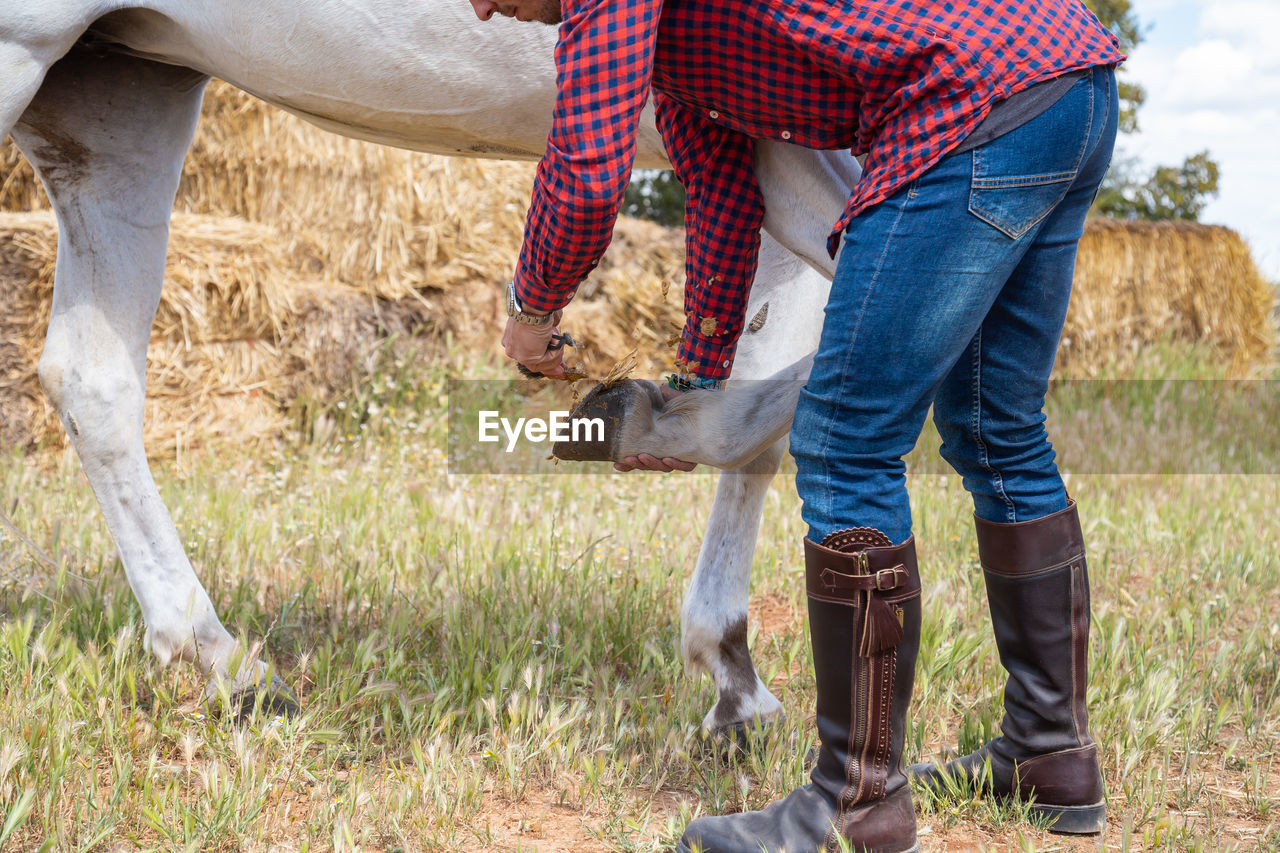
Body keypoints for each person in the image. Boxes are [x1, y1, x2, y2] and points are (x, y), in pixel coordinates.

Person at [471, 0, 1122, 848]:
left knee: (844, 443)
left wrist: (531, 311)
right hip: (1064, 84)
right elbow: (725, 203)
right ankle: (1050, 757)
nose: (480, 8)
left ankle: (857, 800)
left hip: (967, 104)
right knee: (997, 430)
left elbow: (589, 166)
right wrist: (697, 387)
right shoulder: (678, 57)